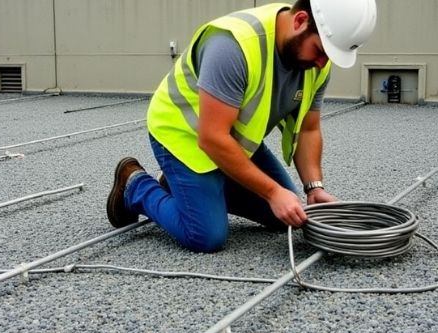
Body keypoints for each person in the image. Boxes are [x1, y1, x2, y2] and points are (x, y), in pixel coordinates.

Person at [106, 0, 377, 252]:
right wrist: (272, 191)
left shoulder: (316, 62)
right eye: (320, 51)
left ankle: (184, 187)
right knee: (206, 236)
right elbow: (212, 138)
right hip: (184, 135)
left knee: (286, 215)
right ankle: (136, 186)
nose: (322, 63)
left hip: (230, 139)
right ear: (300, 21)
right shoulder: (232, 47)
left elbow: (309, 129)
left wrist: (314, 187)